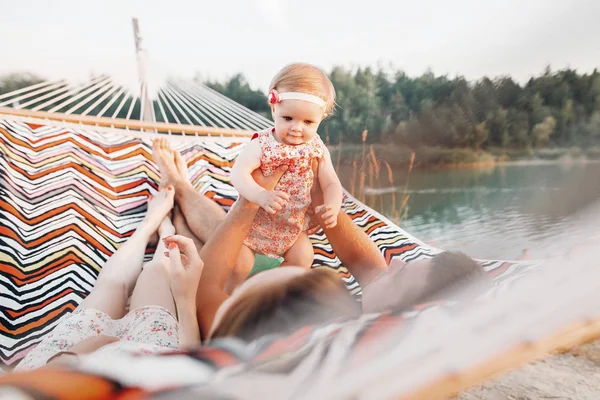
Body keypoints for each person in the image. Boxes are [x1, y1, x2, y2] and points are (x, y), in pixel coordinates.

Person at [153, 141, 485, 341]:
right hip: (258, 276)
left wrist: (251, 198)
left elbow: (207, 300)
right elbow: (369, 267)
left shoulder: (311, 330)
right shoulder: (389, 320)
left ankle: (177, 189)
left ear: (388, 314)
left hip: (225, 290)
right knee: (246, 240)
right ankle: (180, 199)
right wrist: (317, 190)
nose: (394, 260)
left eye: (399, 274)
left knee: (239, 239)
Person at [15, 187, 204, 370]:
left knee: (111, 285)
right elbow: (187, 372)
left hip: (60, 368)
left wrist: (71, 358)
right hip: (152, 363)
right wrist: (185, 300)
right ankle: (166, 232)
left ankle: (147, 226)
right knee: (154, 272)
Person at [229, 63, 344, 281]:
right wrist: (260, 195)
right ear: (274, 109)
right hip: (252, 224)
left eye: (308, 122)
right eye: (288, 118)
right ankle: (236, 297)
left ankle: (266, 289)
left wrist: (333, 204)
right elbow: (238, 173)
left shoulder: (317, 148)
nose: (296, 128)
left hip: (291, 228)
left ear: (321, 119)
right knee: (238, 264)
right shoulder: (262, 144)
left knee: (303, 257)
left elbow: (331, 182)